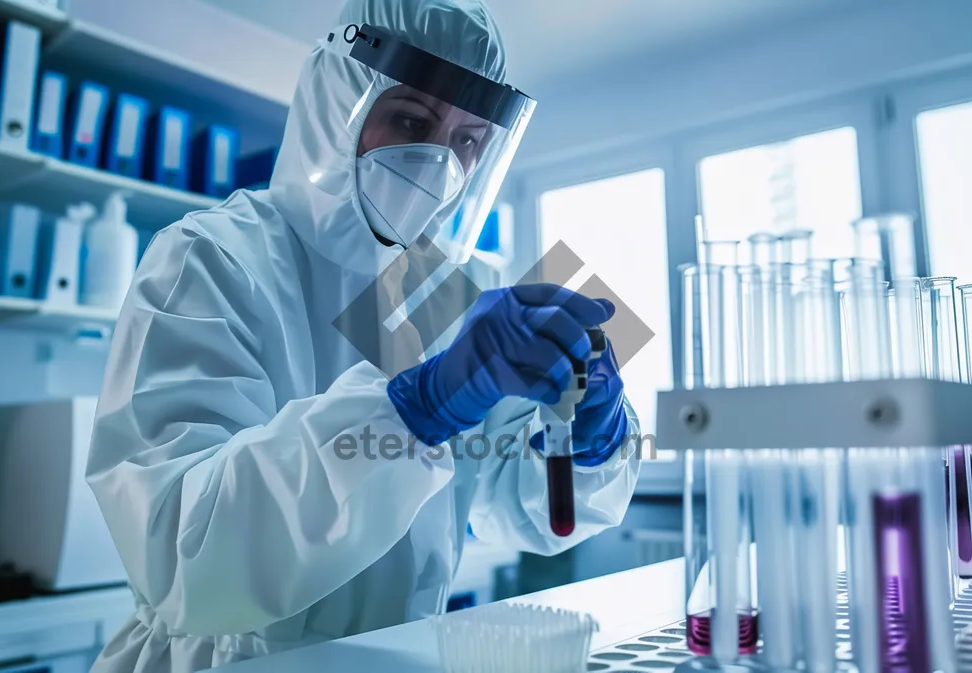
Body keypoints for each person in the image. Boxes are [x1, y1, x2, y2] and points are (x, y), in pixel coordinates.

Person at [84, 0, 640, 671]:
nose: (441, 164)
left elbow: (522, 508)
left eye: (468, 141)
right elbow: (181, 555)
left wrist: (581, 443)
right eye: (411, 121)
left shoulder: (456, 288)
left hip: (399, 655)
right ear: (336, 103)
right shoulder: (209, 258)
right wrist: (414, 410)